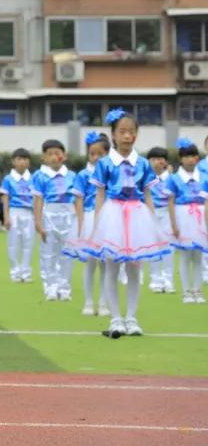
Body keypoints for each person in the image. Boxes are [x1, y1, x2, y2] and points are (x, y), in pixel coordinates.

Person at [84, 109, 171, 337]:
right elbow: (100, 195)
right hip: (112, 214)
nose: (126, 136)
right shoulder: (104, 163)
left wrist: (152, 224)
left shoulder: (143, 163)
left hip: (137, 215)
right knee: (111, 268)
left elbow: (148, 195)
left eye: (131, 132)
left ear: (136, 135)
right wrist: (98, 224)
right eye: (122, 131)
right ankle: (115, 318)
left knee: (134, 268)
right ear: (113, 135)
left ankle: (131, 317)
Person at [64, 132, 111, 317]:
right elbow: (78, 199)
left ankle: (104, 303)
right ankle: (89, 302)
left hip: (108, 219)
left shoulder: (111, 173)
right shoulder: (83, 174)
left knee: (107, 264)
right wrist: (81, 222)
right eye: (92, 153)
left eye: (100, 153)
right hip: (89, 218)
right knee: (90, 263)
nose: (96, 157)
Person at [32, 139, 76, 302]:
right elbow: (38, 200)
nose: (53, 157)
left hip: (68, 215)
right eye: (49, 154)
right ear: (43, 158)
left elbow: (78, 199)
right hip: (49, 214)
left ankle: (64, 288)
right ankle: (50, 286)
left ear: (64, 156)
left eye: (57, 153)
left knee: (67, 254)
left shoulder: (72, 176)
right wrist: (38, 222)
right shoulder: (40, 176)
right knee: (48, 253)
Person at [165, 138, 206, 304]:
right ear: (181, 158)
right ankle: (186, 291)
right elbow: (170, 202)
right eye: (186, 156)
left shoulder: (204, 177)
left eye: (193, 156)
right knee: (185, 256)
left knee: (198, 256)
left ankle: (197, 290)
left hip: (201, 216)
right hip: (183, 215)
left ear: (197, 158)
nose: (190, 159)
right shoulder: (174, 178)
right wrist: (174, 225)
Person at [1, 148, 35, 283]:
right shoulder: (8, 179)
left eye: (25, 159)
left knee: (28, 243)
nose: (22, 162)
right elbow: (5, 198)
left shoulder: (33, 178)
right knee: (13, 244)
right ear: (13, 161)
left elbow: (38, 197)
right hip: (14, 212)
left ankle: (25, 273)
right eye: (19, 159)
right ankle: (15, 272)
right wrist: (6, 216)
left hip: (30, 213)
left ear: (29, 162)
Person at [146, 148, 175, 294]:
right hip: (150, 213)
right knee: (153, 247)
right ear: (149, 161)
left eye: (163, 158)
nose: (160, 161)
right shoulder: (146, 178)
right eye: (156, 158)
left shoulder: (172, 178)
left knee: (168, 248)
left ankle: (168, 281)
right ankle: (155, 280)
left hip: (167, 213)